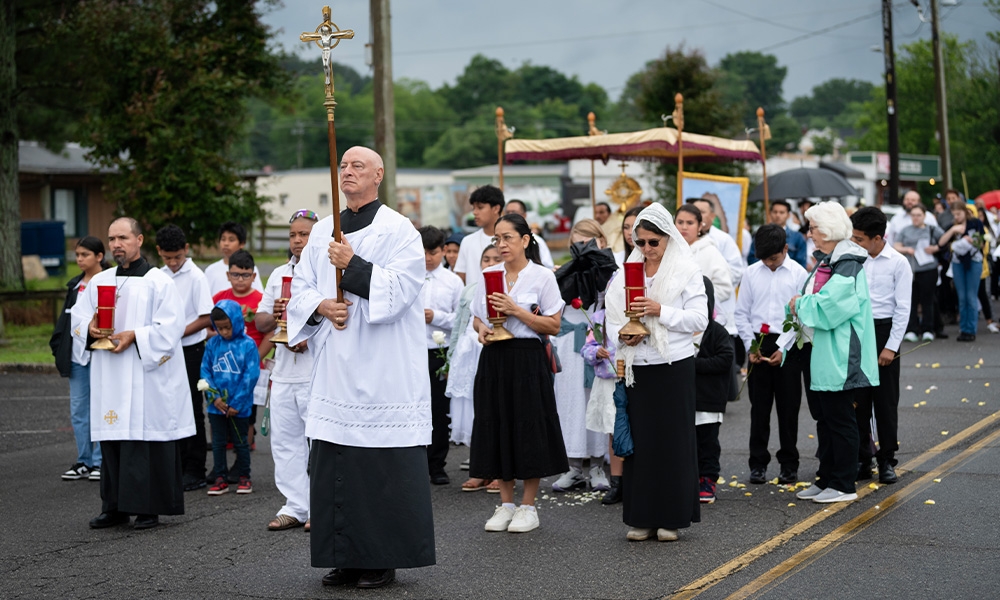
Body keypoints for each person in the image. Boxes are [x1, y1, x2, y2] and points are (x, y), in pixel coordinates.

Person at [286, 146, 435, 589]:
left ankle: (381, 559)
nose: (347, 172)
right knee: (337, 466)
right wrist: (321, 307)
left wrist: (352, 266)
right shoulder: (323, 231)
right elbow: (300, 287)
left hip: (383, 365)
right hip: (337, 366)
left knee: (379, 471)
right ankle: (345, 556)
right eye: (343, 165)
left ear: (379, 175)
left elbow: (404, 289)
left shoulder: (398, 229)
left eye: (358, 166)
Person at [71, 217, 195, 530]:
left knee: (144, 440)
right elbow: (79, 317)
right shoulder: (100, 281)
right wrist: (89, 328)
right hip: (110, 372)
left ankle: (147, 508)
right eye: (111, 239)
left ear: (138, 240)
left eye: (123, 238)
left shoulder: (158, 281)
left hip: (145, 374)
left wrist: (135, 336)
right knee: (113, 439)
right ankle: (113, 506)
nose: (116, 245)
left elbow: (171, 327)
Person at [605, 203, 707, 542]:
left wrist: (659, 310)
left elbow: (698, 320)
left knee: (672, 442)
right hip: (638, 366)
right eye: (640, 242)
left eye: (654, 242)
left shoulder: (687, 270)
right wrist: (623, 332)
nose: (647, 250)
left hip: (673, 365)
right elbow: (612, 315)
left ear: (669, 239)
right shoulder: (625, 272)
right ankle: (642, 516)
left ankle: (671, 517)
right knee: (641, 443)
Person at [471, 213, 568, 533]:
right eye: (496, 239)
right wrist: (483, 328)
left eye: (507, 238)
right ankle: (505, 502)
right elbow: (476, 318)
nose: (501, 245)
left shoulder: (541, 277)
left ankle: (528, 505)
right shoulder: (489, 273)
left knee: (529, 425)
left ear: (525, 240)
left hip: (527, 358)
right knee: (496, 423)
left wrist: (515, 311)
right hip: (494, 357)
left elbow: (553, 324)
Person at [791, 202, 879, 504]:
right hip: (827, 354)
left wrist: (799, 304)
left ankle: (843, 483)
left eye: (813, 227)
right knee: (826, 421)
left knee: (840, 421)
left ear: (828, 230)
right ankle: (827, 479)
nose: (810, 233)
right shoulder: (833, 259)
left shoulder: (848, 262)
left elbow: (830, 308)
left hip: (843, 355)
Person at [255, 208, 319, 530]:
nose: (297, 240)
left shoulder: (327, 273)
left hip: (314, 371)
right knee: (284, 441)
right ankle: (296, 505)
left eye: (304, 234)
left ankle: (320, 506)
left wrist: (306, 335)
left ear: (317, 236)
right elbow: (261, 320)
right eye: (293, 234)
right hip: (283, 372)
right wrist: (277, 312)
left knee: (317, 442)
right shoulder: (280, 273)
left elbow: (336, 319)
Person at [735, 224, 809, 485]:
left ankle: (789, 464)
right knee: (759, 409)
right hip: (759, 341)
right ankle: (758, 463)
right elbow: (741, 314)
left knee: (788, 410)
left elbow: (802, 318)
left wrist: (784, 348)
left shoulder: (800, 274)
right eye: (763, 258)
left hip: (788, 343)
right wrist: (750, 346)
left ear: (785, 249)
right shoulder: (752, 273)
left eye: (773, 258)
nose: (768, 263)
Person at [551, 219, 615, 494]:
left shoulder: (611, 273)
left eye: (590, 242)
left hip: (596, 342)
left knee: (595, 400)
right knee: (570, 404)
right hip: (568, 341)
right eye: (579, 243)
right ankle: (573, 467)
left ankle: (598, 465)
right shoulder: (563, 271)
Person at [850, 207, 912, 484]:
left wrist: (891, 347)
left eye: (860, 238)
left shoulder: (898, 263)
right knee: (858, 401)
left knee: (885, 402)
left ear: (878, 238)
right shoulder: (854, 260)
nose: (856, 242)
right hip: (859, 332)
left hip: (885, 332)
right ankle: (864, 458)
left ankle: (887, 459)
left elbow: (903, 309)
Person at [156, 224, 214, 491]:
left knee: (192, 408)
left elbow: (205, 317)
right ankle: (175, 466)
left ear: (186, 250)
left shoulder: (196, 277)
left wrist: (175, 332)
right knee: (170, 407)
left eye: (178, 257)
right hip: (167, 350)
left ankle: (196, 469)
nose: (174, 262)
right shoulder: (158, 276)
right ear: (159, 253)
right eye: (168, 258)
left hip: (191, 349)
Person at [51, 236, 108, 481]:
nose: (80, 259)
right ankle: (83, 460)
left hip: (99, 354)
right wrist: (58, 347)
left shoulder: (109, 281)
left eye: (85, 254)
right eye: (77, 255)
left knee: (100, 407)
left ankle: (100, 460)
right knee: (78, 410)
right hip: (76, 356)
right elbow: (66, 321)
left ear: (99, 257)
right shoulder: (74, 285)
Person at [446, 245, 502, 491]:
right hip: (469, 355)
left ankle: (501, 471)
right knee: (475, 414)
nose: (489, 263)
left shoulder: (508, 286)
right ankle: (480, 469)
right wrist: (452, 356)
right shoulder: (471, 288)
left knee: (498, 412)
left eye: (495, 259)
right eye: (485, 259)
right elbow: (460, 323)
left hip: (495, 348)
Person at [419, 225, 464, 485]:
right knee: (413, 407)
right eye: (423, 252)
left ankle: (437, 465)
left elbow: (461, 319)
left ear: (444, 251)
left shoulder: (452, 281)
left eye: (433, 252)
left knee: (438, 409)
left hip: (440, 351)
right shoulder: (408, 277)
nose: (428, 258)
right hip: (412, 351)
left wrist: (435, 317)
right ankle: (414, 463)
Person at [202, 301, 261, 495]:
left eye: (228, 327)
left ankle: (244, 476)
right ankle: (220, 477)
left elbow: (250, 375)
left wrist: (237, 402)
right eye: (220, 328)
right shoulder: (212, 344)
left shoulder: (248, 345)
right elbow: (206, 371)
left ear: (236, 321)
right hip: (216, 406)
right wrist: (214, 397)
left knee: (240, 442)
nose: (225, 332)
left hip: (239, 406)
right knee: (218, 443)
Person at [694, 277, 734, 503]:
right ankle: (689, 479)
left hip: (709, 399)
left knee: (707, 442)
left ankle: (708, 479)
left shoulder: (717, 332)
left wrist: (693, 365)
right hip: (685, 399)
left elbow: (726, 359)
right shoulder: (678, 329)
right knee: (687, 443)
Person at [894, 204, 945, 342]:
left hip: (928, 268)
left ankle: (928, 329)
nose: (916, 218)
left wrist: (935, 248)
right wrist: (906, 249)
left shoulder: (932, 229)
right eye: (913, 215)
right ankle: (912, 329)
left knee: (928, 300)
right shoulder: (905, 230)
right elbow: (896, 245)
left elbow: (944, 241)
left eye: (919, 215)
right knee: (911, 300)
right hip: (910, 270)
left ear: (924, 216)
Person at [938, 202, 986, 341]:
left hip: (974, 261)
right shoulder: (953, 226)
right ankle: (963, 328)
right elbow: (941, 243)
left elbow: (982, 243)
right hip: (958, 263)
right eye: (954, 215)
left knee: (971, 296)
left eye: (959, 214)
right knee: (962, 297)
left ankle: (971, 329)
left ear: (965, 212)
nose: (957, 217)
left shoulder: (975, 223)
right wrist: (953, 230)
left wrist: (970, 240)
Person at [213, 249, 264, 348]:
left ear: (254, 277)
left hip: (252, 357)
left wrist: (255, 358)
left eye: (245, 275)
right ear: (228, 275)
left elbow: (269, 334)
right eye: (235, 275)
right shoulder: (219, 299)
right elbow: (206, 328)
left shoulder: (262, 301)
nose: (240, 279)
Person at [454, 185, 504, 284]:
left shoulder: (511, 240)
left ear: (496, 208)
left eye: (480, 208)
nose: (475, 213)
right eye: (473, 208)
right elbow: (460, 279)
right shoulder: (468, 241)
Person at [203, 221, 264, 296]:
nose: (226, 243)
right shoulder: (211, 270)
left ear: (242, 243)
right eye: (223, 239)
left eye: (231, 240)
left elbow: (258, 297)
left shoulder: (249, 268)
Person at [748, 200, 808, 268]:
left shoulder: (798, 237)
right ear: (770, 213)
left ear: (788, 215)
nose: (778, 215)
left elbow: (801, 263)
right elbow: (752, 258)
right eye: (775, 212)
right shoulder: (759, 235)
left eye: (781, 212)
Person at [504, 199, 555, 268]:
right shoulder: (499, 240)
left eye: (514, 212)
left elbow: (548, 267)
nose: (510, 216)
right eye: (507, 212)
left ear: (524, 215)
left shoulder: (537, 241)